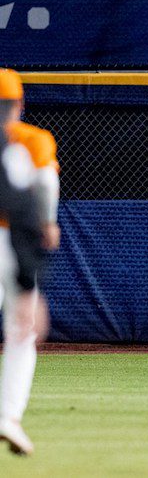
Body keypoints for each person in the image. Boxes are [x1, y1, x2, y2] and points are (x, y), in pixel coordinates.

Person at [0, 69, 50, 456]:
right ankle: (8, 417)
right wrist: (47, 222)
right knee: (20, 333)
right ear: (18, 105)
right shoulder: (31, 141)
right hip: (11, 240)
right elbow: (45, 185)